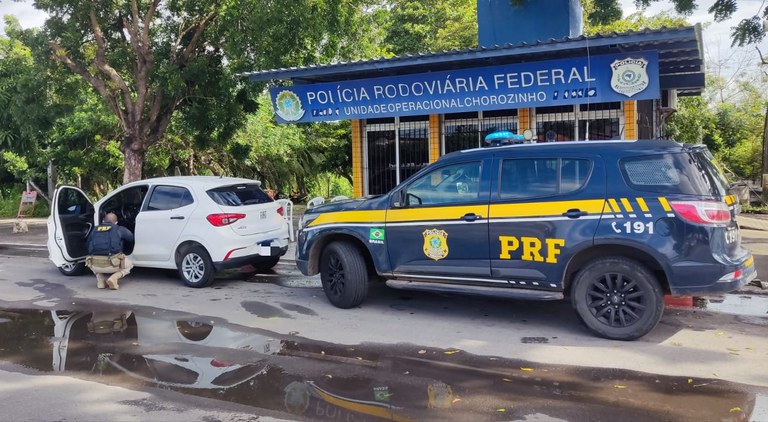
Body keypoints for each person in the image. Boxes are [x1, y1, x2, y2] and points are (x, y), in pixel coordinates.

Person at [85, 212, 134, 290]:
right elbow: (131, 238)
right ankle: (114, 278)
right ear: (116, 222)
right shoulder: (119, 229)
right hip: (112, 265)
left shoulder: (94, 229)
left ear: (103, 220)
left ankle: (101, 282)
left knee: (90, 259)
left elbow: (87, 244)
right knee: (130, 264)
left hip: (95, 266)